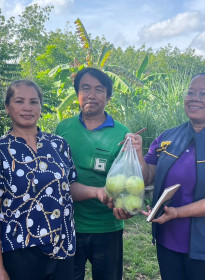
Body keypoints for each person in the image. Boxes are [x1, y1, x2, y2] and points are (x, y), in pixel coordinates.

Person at [128, 72, 205, 280]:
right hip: (169, 242)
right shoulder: (167, 137)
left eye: (203, 93)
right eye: (191, 92)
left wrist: (177, 213)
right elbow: (146, 176)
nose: (194, 98)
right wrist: (138, 152)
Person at [0, 80, 79, 280]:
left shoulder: (59, 145)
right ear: (7, 107)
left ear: (40, 106)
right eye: (20, 101)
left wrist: (101, 192)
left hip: (62, 245)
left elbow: (70, 187)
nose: (28, 108)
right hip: (20, 249)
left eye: (34, 102)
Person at [55, 67, 130, 280]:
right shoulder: (63, 129)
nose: (91, 95)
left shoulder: (122, 133)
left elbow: (128, 179)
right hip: (68, 224)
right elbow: (57, 179)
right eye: (85, 88)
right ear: (77, 93)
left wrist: (128, 204)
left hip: (107, 226)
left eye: (99, 89)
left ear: (107, 97)